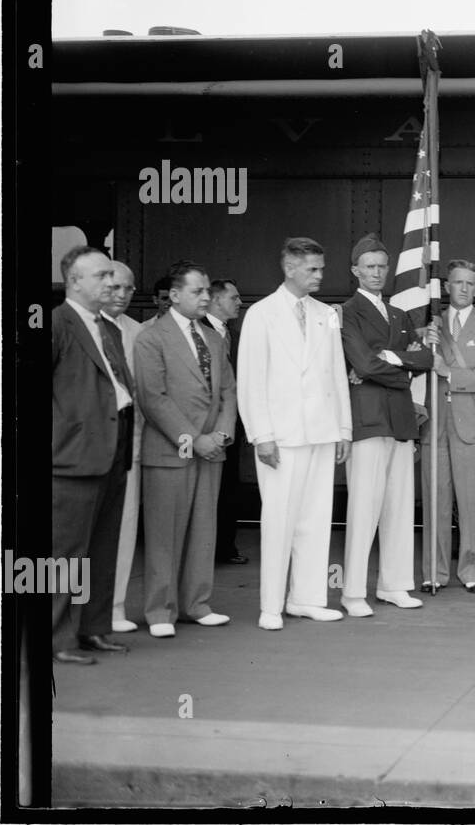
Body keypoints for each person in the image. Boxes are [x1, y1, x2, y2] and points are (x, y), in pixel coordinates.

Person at [237, 237, 352, 630]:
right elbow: (251, 380)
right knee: (278, 521)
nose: (320, 275)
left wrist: (343, 430)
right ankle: (271, 605)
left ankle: (306, 598)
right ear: (289, 268)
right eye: (313, 269)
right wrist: (261, 434)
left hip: (321, 431)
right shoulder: (261, 314)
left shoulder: (325, 314)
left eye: (321, 268)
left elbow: (337, 373)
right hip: (281, 436)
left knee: (317, 520)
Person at [134, 260, 235, 638]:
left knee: (203, 530)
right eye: (198, 291)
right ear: (175, 296)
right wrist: (196, 440)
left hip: (212, 451)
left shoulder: (214, 338)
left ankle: (197, 604)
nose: (206, 297)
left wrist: (221, 435)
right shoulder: (151, 338)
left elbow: (229, 391)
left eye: (208, 290)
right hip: (171, 451)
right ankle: (160, 611)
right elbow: (153, 398)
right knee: (164, 534)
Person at [339, 234, 433, 617]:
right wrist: (399, 367)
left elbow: (425, 358)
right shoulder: (347, 312)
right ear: (355, 271)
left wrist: (389, 361)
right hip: (368, 420)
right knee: (364, 507)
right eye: (370, 267)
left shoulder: (398, 314)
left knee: (398, 507)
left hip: (398, 418)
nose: (377, 273)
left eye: (382, 266)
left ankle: (394, 585)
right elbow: (363, 364)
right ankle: (353, 593)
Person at [52, 245, 134, 664]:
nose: (110, 283)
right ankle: (58, 640)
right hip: (72, 457)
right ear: (75, 281)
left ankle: (94, 629)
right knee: (67, 553)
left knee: (103, 549)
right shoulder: (57, 323)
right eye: (101, 276)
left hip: (113, 452)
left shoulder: (110, 328)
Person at [418, 259, 475, 592]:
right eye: (458, 283)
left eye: (471, 284)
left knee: (470, 504)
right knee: (435, 502)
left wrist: (449, 373)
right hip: (435, 424)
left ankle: (472, 572)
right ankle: (433, 573)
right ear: (447, 286)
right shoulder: (431, 326)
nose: (465, 289)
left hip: (473, 427)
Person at [102, 261, 144, 633]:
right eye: (114, 287)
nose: (121, 295)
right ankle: (78, 612)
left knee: (125, 526)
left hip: (130, 443)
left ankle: (114, 608)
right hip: (89, 449)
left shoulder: (138, 332)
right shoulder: (82, 326)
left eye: (128, 289)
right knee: (85, 533)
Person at [205, 277, 248, 566]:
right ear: (217, 299)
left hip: (233, 424)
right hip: (205, 427)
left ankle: (225, 547)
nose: (239, 302)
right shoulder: (199, 331)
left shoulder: (236, 332)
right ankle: (204, 550)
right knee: (206, 490)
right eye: (233, 297)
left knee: (229, 487)